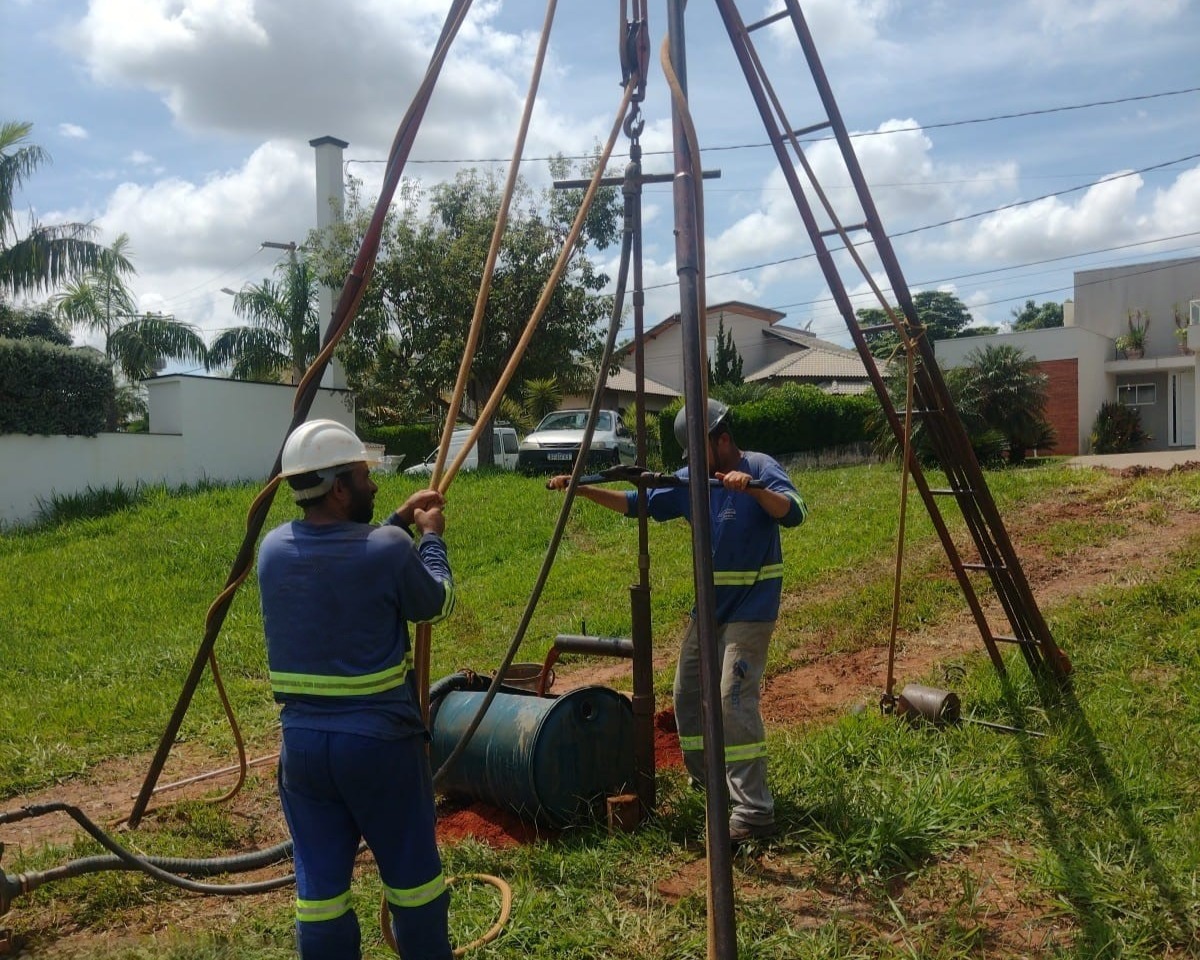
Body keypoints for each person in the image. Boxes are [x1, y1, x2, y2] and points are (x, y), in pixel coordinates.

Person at [548, 399, 806, 842]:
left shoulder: (760, 466)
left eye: (697, 450)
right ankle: (711, 785)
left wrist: (753, 490)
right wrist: (582, 488)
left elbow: (794, 512)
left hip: (750, 610)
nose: (690, 463)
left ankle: (754, 810)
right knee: (686, 695)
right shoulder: (692, 481)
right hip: (708, 609)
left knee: (733, 700)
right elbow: (636, 504)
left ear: (721, 439)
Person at [258, 419, 456, 959]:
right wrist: (431, 537)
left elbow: (350, 555)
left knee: (319, 894)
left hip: (302, 752)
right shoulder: (392, 551)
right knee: (414, 884)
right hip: (378, 748)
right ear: (339, 488)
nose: (373, 485)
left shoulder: (273, 551)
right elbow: (434, 601)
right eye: (364, 476)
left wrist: (397, 522)